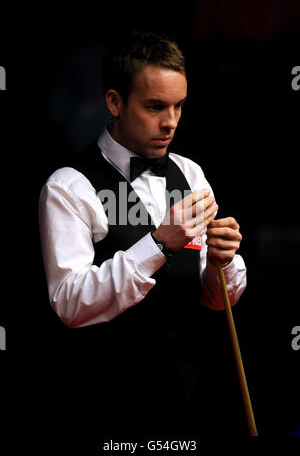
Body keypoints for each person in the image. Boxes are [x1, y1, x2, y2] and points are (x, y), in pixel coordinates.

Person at [39, 31, 246, 441]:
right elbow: (68, 303)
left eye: (178, 106)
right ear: (114, 102)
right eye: (155, 107)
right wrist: (157, 244)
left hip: (189, 398)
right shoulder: (68, 187)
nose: (170, 122)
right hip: (108, 405)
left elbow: (212, 298)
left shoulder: (189, 173)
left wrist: (223, 264)